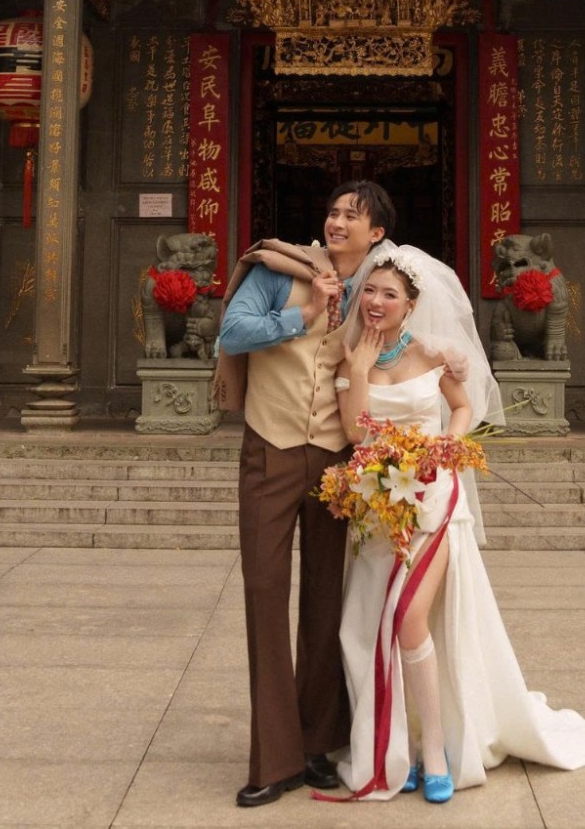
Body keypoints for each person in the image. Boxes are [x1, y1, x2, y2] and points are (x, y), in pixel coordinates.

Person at [327, 247, 585, 804]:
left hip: (435, 501)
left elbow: (461, 409)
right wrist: (357, 371)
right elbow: (357, 434)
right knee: (372, 627)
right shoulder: (348, 359)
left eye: (389, 294)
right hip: (378, 508)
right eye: (370, 291)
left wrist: (444, 446)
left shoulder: (432, 355)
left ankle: (435, 755)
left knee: (409, 618)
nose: (376, 302)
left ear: (410, 305)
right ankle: (400, 744)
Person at [213, 180, 397, 809]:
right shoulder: (277, 268)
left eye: (353, 215)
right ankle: (275, 758)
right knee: (265, 592)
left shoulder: (375, 292)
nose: (338, 221)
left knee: (326, 599)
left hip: (335, 456)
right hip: (271, 447)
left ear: (377, 234)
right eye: (334, 211)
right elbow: (233, 333)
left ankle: (319, 744)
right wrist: (307, 313)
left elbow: (399, 356)